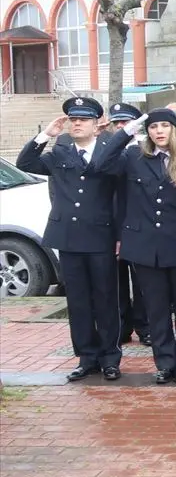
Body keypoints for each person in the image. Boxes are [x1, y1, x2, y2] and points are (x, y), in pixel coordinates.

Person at [93, 109, 176, 383]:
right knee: (156, 309)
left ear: (174, 130)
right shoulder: (134, 157)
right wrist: (125, 133)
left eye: (164, 126)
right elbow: (102, 163)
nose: (159, 131)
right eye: (153, 126)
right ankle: (165, 362)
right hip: (146, 247)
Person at [18, 98, 123, 381]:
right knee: (77, 301)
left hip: (101, 236)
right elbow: (26, 162)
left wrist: (120, 234)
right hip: (68, 237)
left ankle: (110, 358)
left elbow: (120, 197)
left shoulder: (110, 152)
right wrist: (45, 135)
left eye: (83, 120)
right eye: (73, 119)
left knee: (105, 299)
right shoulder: (61, 151)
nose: (76, 124)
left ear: (97, 124)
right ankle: (87, 357)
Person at [104, 101, 153, 347]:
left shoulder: (146, 149)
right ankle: (122, 326)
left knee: (142, 279)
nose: (121, 126)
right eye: (117, 123)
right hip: (108, 224)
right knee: (116, 281)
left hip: (137, 225)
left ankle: (145, 326)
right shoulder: (107, 150)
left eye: (126, 122)